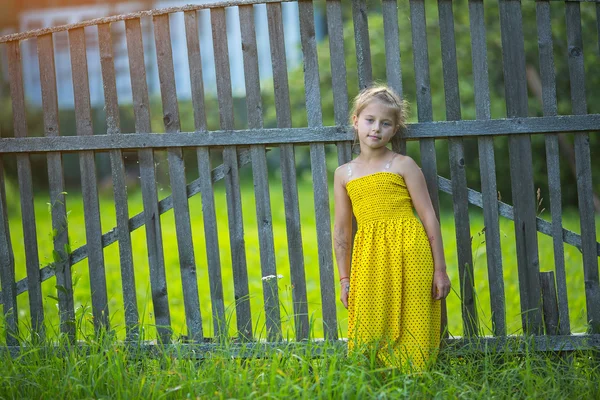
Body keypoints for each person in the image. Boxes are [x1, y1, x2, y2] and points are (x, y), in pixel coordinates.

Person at [333, 85, 451, 370]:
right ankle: (375, 377)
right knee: (370, 319)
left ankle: (415, 376)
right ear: (356, 121)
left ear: (395, 129)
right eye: (370, 120)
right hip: (369, 256)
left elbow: (428, 217)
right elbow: (341, 231)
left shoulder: (403, 165)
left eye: (386, 123)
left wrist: (440, 269)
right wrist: (344, 278)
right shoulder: (343, 174)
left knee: (414, 315)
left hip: (411, 251)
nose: (376, 129)